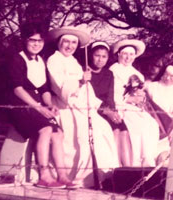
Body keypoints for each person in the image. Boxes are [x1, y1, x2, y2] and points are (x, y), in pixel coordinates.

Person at [46, 26, 119, 188]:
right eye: (66, 41)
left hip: (84, 106)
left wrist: (98, 104)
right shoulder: (54, 60)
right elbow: (59, 88)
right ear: (59, 42)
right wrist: (80, 81)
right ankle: (79, 177)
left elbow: (88, 91)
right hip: (66, 106)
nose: (70, 46)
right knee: (82, 137)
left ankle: (100, 176)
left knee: (103, 129)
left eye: (73, 42)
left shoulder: (74, 62)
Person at [6, 23, 73, 188]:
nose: (36, 44)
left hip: (38, 106)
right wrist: (38, 107)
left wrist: (49, 105)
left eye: (40, 41)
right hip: (21, 106)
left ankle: (62, 175)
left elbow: (44, 88)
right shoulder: (17, 59)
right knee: (46, 129)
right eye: (33, 40)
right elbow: (17, 89)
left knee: (58, 133)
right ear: (25, 40)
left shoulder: (40, 61)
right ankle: (44, 175)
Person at [110, 39, 159, 167]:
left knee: (152, 124)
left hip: (135, 108)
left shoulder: (137, 74)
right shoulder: (113, 71)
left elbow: (140, 94)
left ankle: (147, 159)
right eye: (125, 54)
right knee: (138, 125)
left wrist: (140, 99)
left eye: (131, 55)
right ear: (119, 54)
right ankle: (134, 162)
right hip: (120, 106)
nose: (128, 57)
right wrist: (129, 100)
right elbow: (111, 94)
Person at [86, 41, 131, 167]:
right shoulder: (85, 73)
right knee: (114, 131)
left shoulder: (108, 74)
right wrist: (107, 111)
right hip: (94, 108)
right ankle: (115, 165)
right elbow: (89, 97)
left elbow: (110, 97)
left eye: (104, 56)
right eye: (97, 55)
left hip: (108, 109)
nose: (100, 60)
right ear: (91, 55)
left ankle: (128, 168)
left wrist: (114, 112)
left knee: (123, 130)